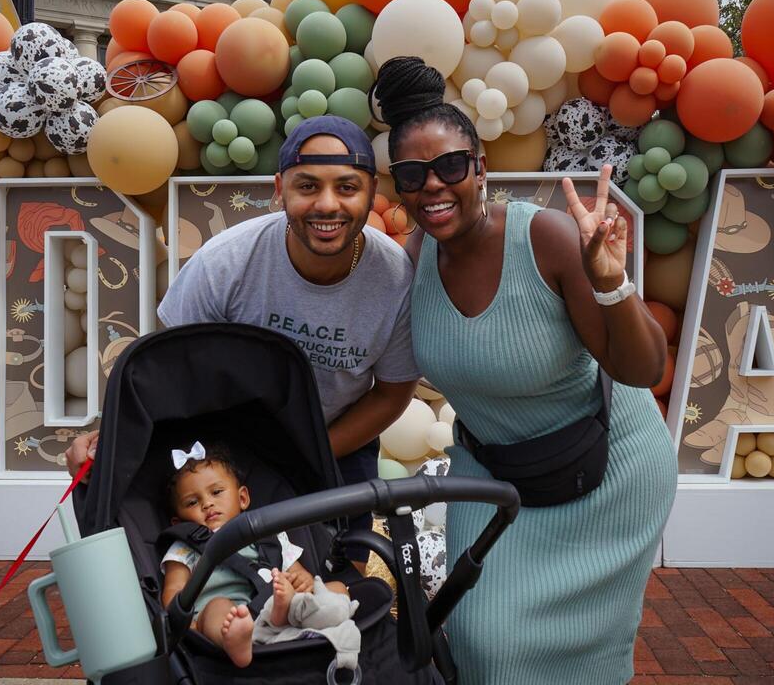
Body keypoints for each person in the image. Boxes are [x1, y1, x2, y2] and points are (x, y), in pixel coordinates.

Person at [372, 57, 677, 685]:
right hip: (493, 476)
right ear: (398, 185)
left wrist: (613, 284)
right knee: (484, 643)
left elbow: (642, 368)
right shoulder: (412, 261)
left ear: (480, 168)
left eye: (451, 166)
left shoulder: (548, 239)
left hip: (606, 473)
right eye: (412, 174)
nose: (434, 186)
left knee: (582, 661)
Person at [67, 115, 420, 566]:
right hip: (226, 446)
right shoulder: (225, 265)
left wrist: (311, 452)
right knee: (203, 576)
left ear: (372, 190)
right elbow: (169, 378)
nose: (327, 205)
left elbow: (392, 393)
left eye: (347, 187)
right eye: (307, 186)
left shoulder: (395, 281)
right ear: (280, 188)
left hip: (338, 439)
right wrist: (109, 444)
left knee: (342, 576)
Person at [159, 441, 356, 669]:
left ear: (242, 498)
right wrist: (187, 624)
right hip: (229, 614)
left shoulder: (268, 534)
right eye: (193, 502)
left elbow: (299, 573)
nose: (208, 503)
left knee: (338, 588)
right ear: (178, 521)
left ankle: (315, 618)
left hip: (279, 605)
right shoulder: (185, 546)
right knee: (216, 608)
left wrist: (302, 582)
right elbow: (173, 592)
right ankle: (235, 641)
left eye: (216, 492)